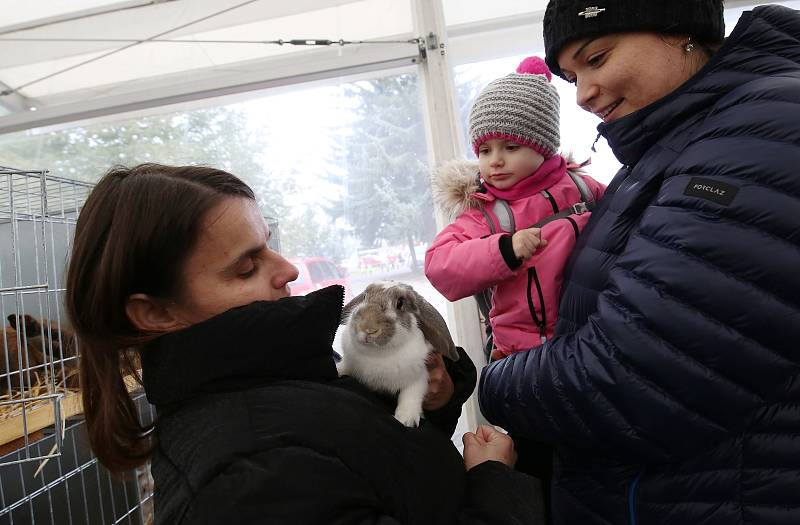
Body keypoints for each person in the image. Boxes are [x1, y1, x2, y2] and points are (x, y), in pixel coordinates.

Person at [65, 163, 545, 525]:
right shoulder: (247, 481)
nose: (289, 269)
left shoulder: (271, 375)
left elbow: (360, 463)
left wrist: (430, 403)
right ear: (157, 313)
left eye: (268, 243)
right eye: (246, 267)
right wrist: (494, 485)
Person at [479, 2, 800, 525]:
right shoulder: (679, 144)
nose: (582, 95)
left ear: (680, 31)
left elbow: (633, 376)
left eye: (597, 59)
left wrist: (495, 381)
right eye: (570, 76)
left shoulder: (756, 133)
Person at [425, 56, 606, 362]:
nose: (495, 160)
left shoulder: (584, 188)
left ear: (543, 146)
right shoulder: (487, 213)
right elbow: (439, 265)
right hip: (525, 351)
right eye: (485, 150)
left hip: (594, 335)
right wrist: (504, 250)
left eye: (510, 147)